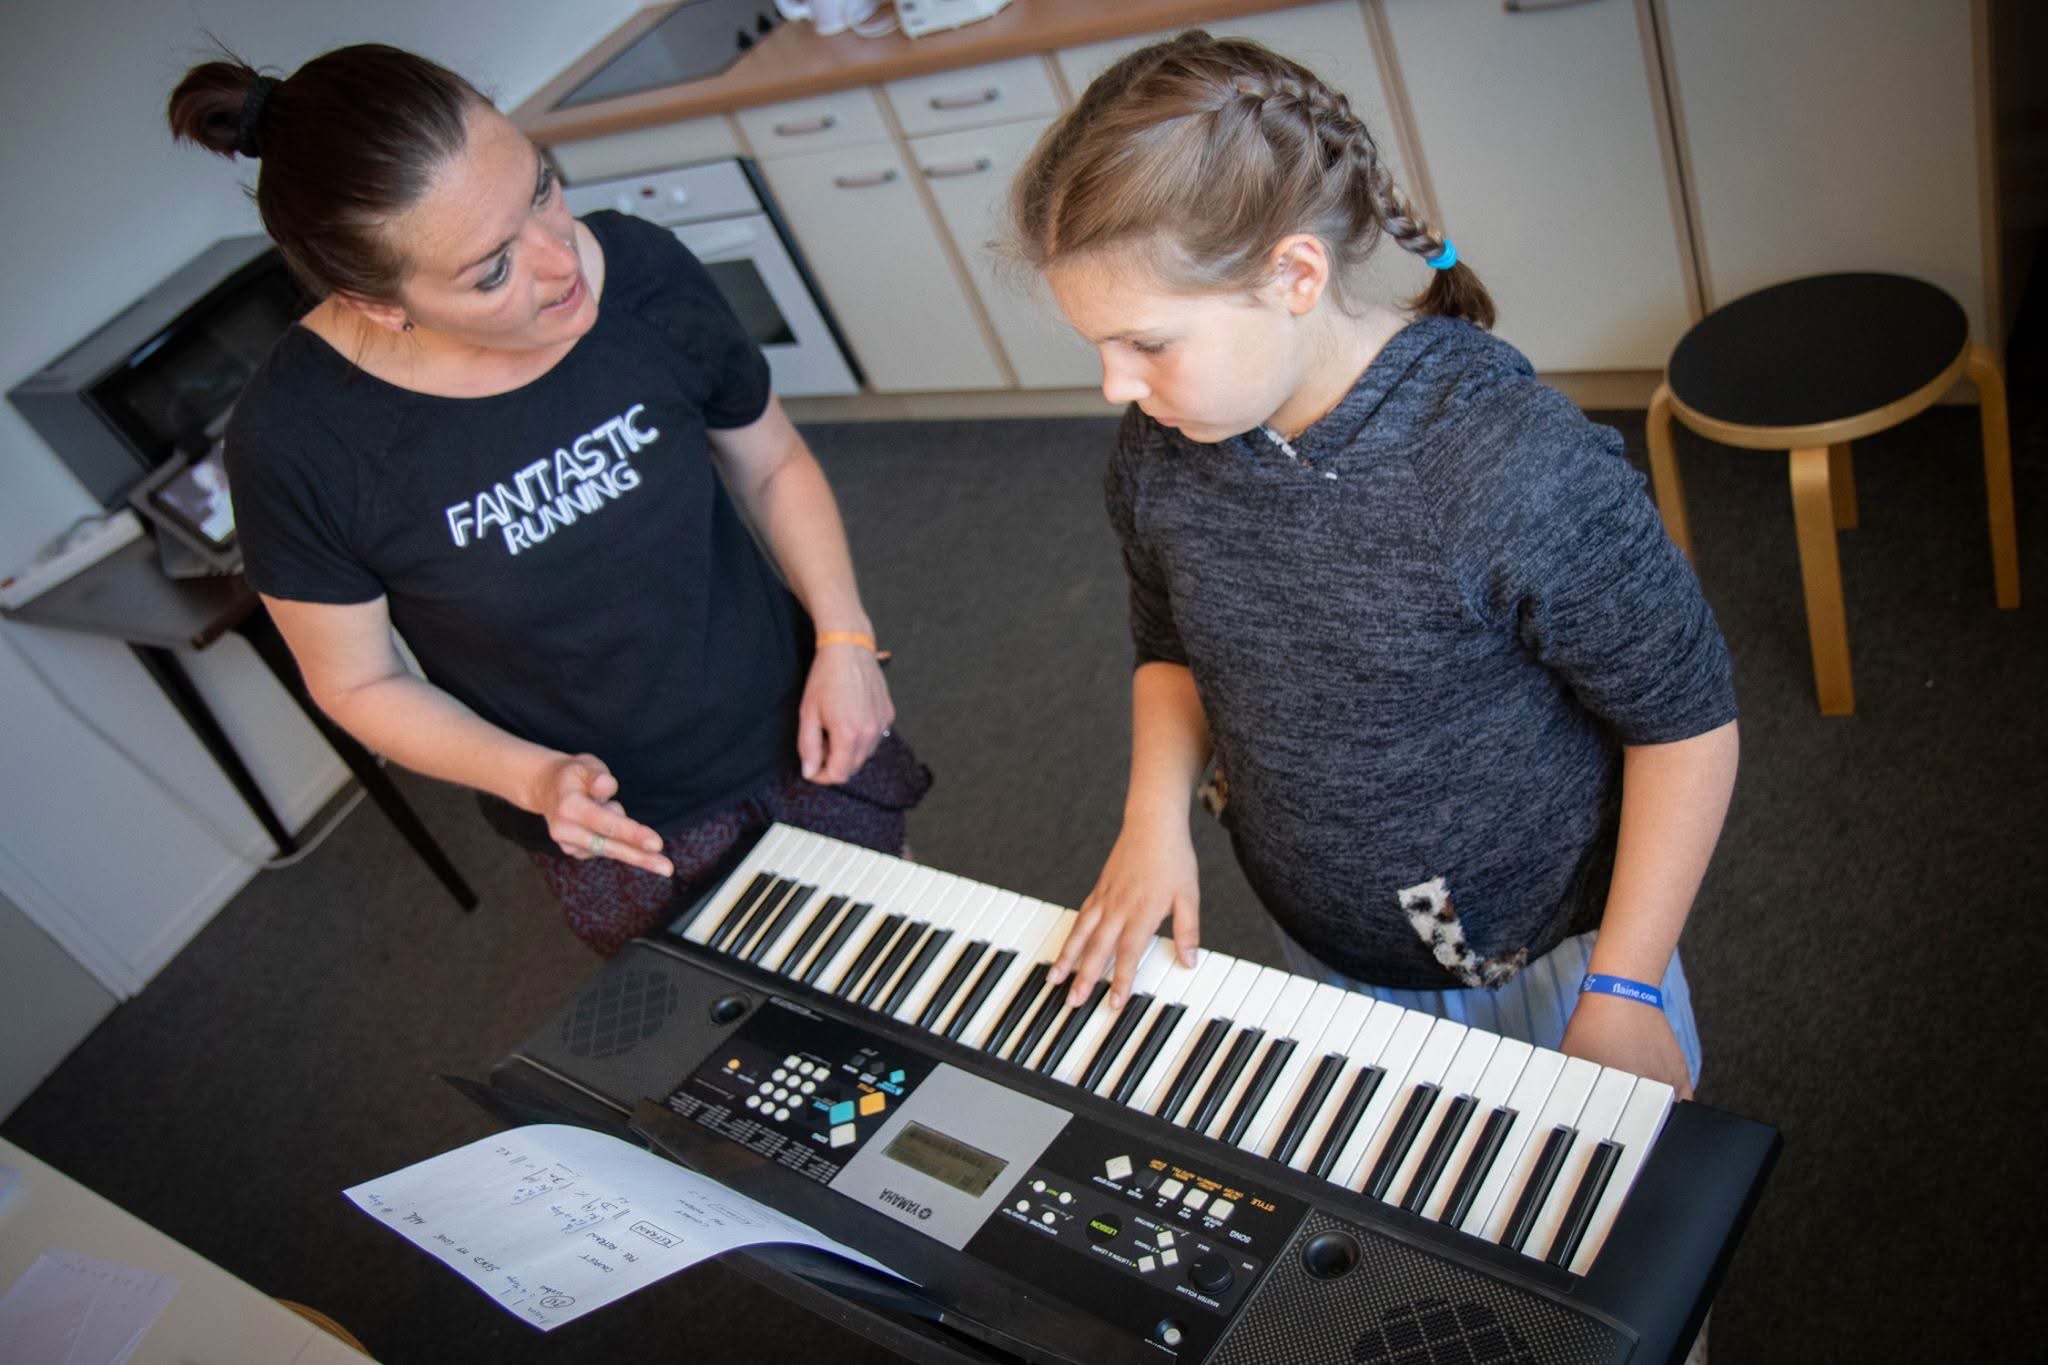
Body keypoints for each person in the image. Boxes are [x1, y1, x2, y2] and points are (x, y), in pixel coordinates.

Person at [1014, 32, 1738, 1099]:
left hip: (1547, 961)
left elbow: (1685, 720)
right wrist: (1151, 819)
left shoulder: (1506, 466)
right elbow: (1170, 640)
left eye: (1147, 343)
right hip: (1324, 934)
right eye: (1098, 348)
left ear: (1294, 274)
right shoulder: (1161, 448)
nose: (1114, 386)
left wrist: (1625, 987)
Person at [167, 45, 928, 956]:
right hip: (618, 824)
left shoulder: (640, 270)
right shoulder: (298, 443)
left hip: (800, 716)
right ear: (375, 303)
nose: (561, 260)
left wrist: (844, 639)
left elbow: (772, 464)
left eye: (541, 189)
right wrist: (533, 779)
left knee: (911, 956)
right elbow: (359, 681)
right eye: (491, 271)